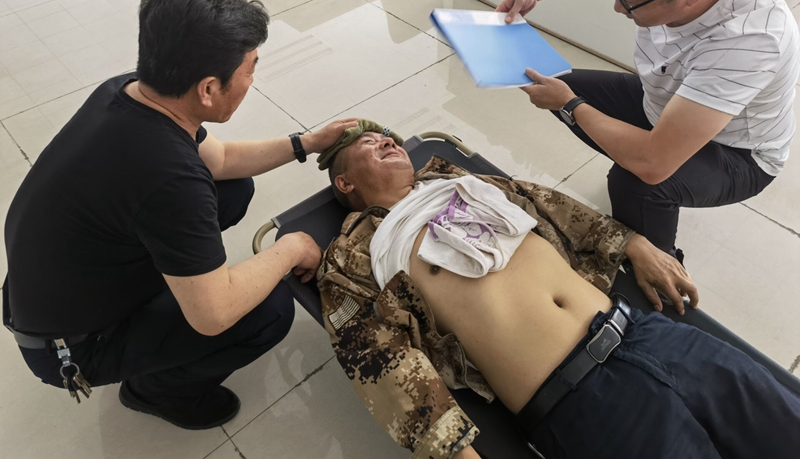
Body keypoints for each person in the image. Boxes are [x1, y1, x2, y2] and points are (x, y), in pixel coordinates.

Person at [315, 124, 800, 459]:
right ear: (345, 181)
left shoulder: (460, 180)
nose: (387, 140)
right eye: (369, 144)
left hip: (645, 332)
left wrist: (632, 244)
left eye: (388, 135)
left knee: (784, 425)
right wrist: (450, 447)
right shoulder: (355, 253)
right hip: (579, 399)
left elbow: (552, 205)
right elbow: (375, 357)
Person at [3, 0, 353, 429]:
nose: (252, 80)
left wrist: (306, 142)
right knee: (268, 311)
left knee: (234, 189)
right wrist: (292, 247)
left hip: (64, 279)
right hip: (71, 345)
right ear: (208, 89)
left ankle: (172, 294)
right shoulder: (169, 179)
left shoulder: (130, 90)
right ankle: (154, 391)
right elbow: (213, 315)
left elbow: (220, 159)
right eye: (250, 69)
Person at [497, 0, 800, 259]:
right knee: (557, 83)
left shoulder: (749, 42)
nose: (617, 7)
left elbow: (654, 164)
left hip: (738, 153)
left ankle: (661, 262)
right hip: (667, 99)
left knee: (637, 182)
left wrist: (570, 105)